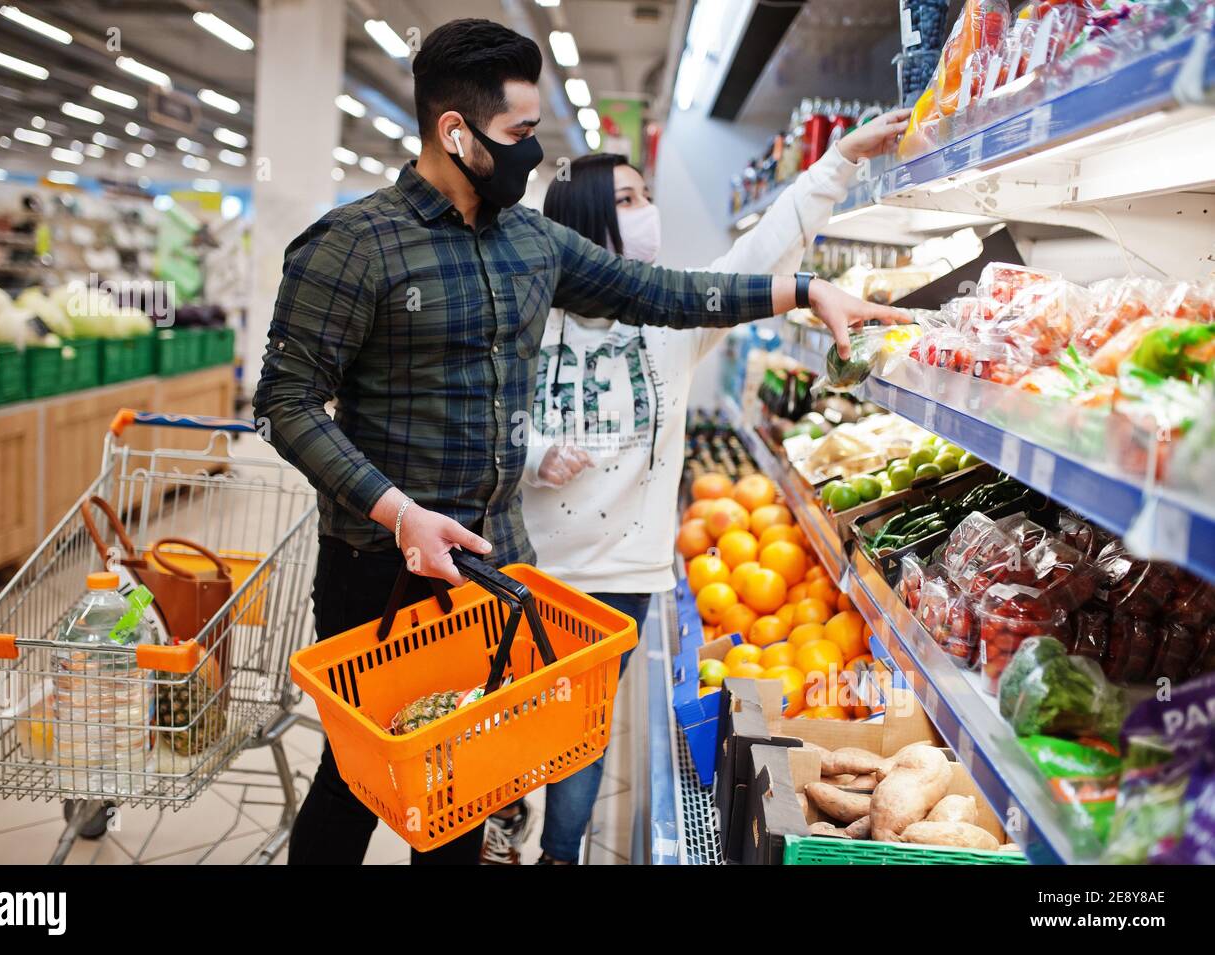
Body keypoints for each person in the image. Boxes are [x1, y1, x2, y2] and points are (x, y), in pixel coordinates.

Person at [254, 17, 905, 866]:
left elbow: (663, 291)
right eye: (521, 134)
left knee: (464, 789)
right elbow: (285, 402)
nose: (532, 154)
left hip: (493, 567)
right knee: (354, 780)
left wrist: (805, 289)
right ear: (457, 132)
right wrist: (399, 512)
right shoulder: (353, 246)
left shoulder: (531, 241)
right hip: (381, 569)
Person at [479, 110, 911, 865]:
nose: (648, 214)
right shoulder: (521, 317)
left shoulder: (668, 319)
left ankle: (558, 854)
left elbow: (757, 255)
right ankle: (500, 813)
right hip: (523, 566)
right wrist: (534, 450)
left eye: (647, 195)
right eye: (629, 199)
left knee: (584, 728)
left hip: (621, 576)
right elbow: (478, 422)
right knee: (510, 716)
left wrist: (837, 161)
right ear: (583, 220)